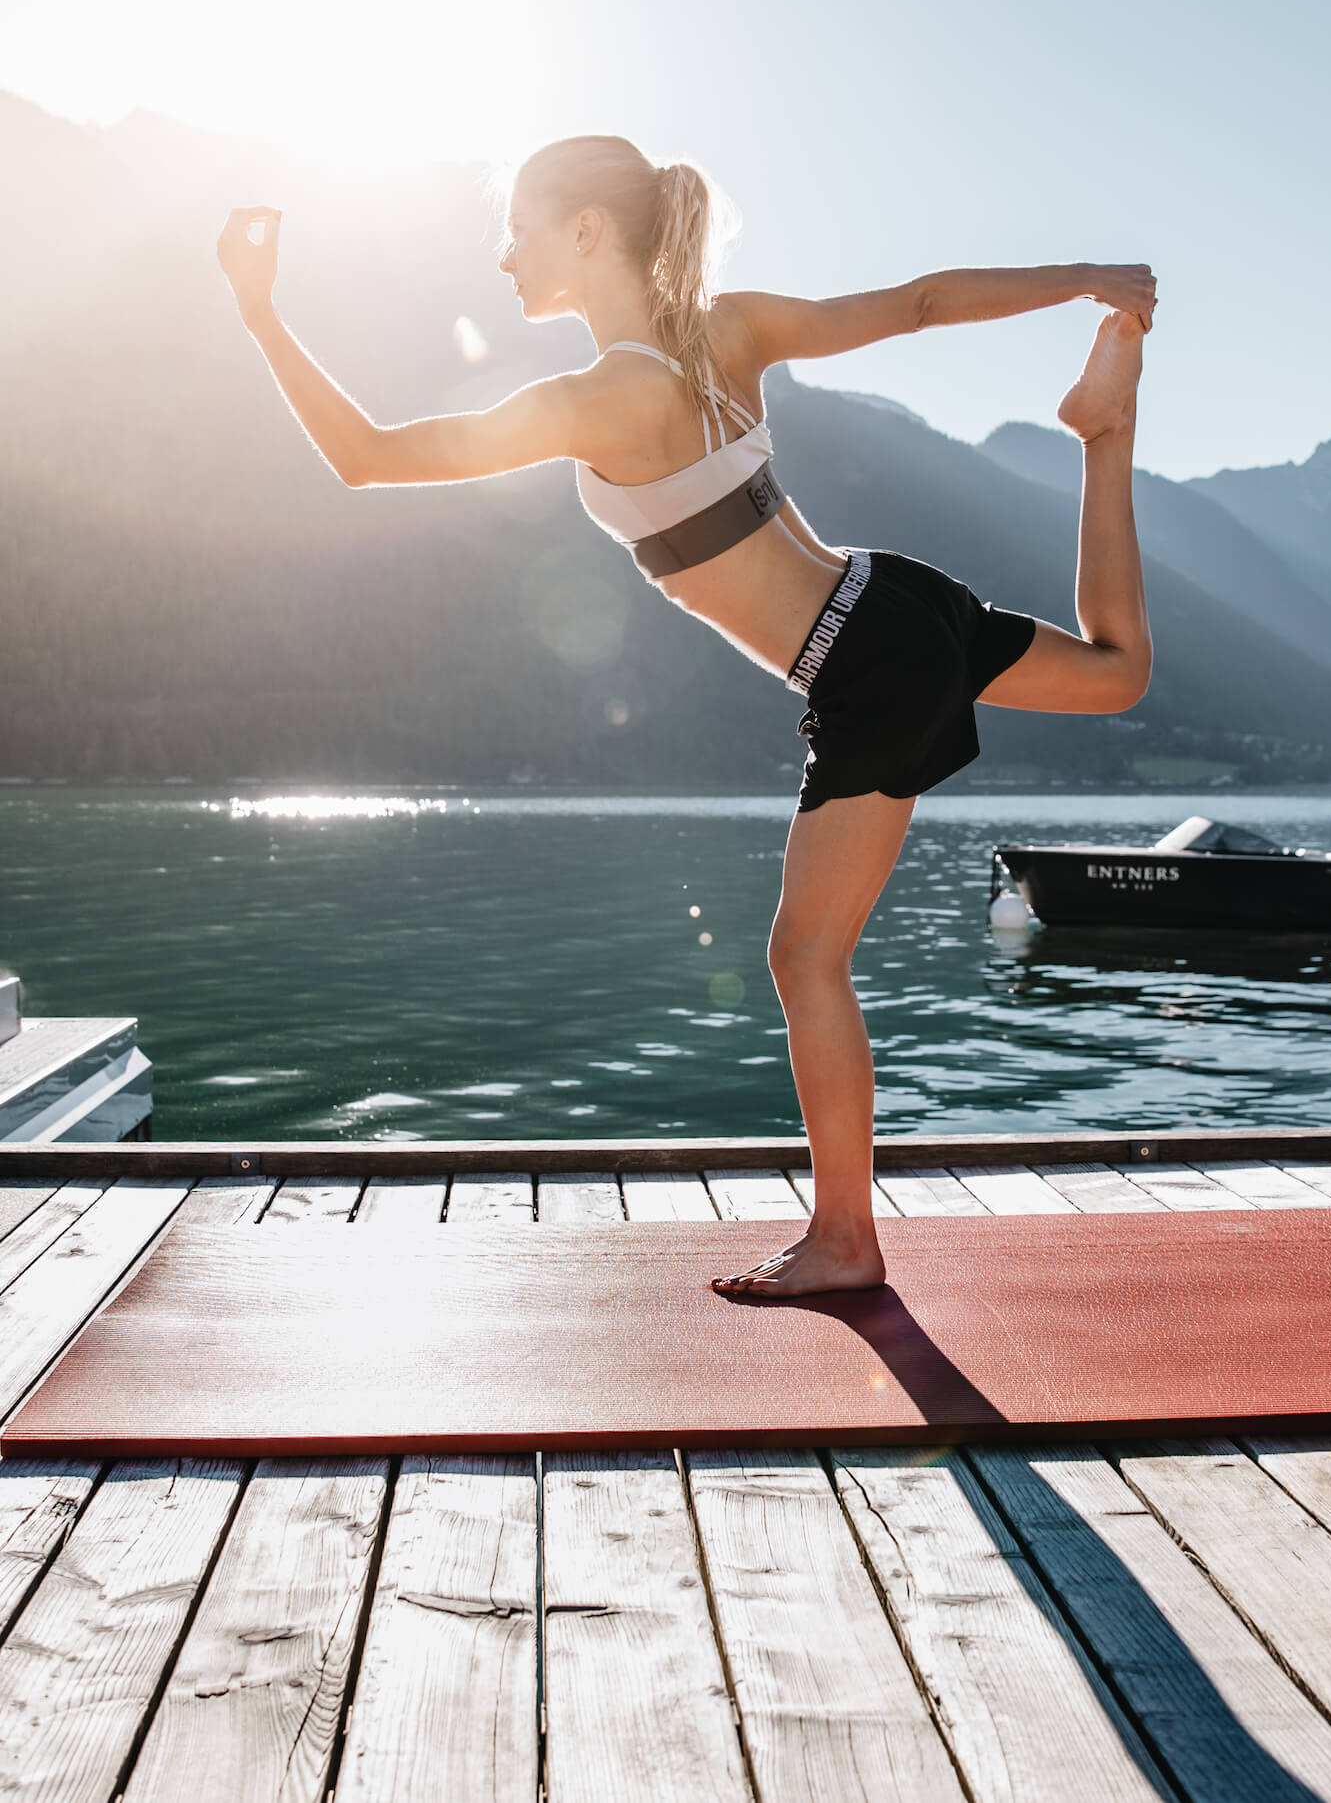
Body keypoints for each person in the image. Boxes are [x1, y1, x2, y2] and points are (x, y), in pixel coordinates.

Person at [217, 135, 1154, 1297]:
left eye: (518, 227)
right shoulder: (730, 329)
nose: (503, 255)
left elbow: (364, 459)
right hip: (891, 598)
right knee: (1118, 673)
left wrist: (259, 315)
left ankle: (848, 1244)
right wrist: (1085, 278)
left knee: (804, 957)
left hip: (861, 655)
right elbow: (915, 304)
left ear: (588, 232)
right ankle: (1105, 432)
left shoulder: (594, 398)